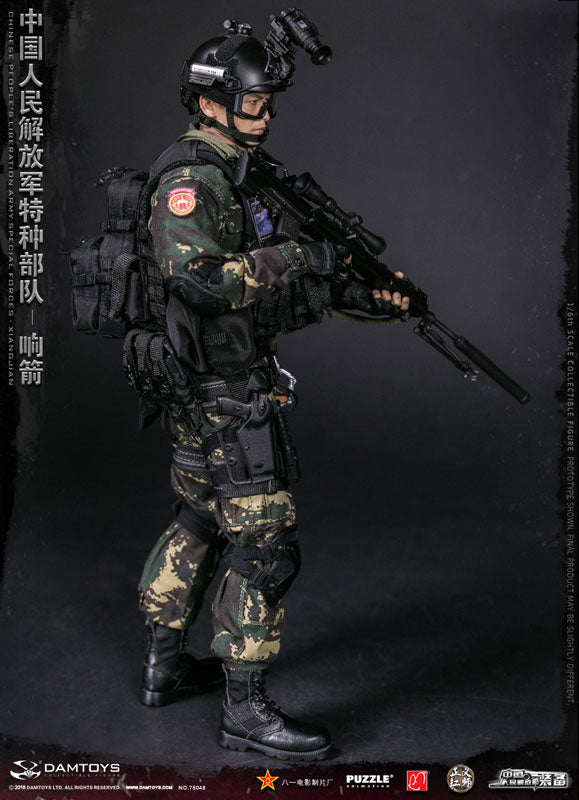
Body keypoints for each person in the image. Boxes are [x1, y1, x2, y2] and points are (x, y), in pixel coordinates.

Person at [136, 21, 409, 762]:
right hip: (223, 393)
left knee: (199, 517)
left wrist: (354, 292)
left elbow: (255, 295)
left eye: (267, 104)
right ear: (210, 102)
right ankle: (244, 712)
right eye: (253, 104)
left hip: (205, 382)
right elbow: (200, 283)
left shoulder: (231, 172)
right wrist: (300, 256)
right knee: (264, 548)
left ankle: (164, 667)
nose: (265, 117)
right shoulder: (195, 182)